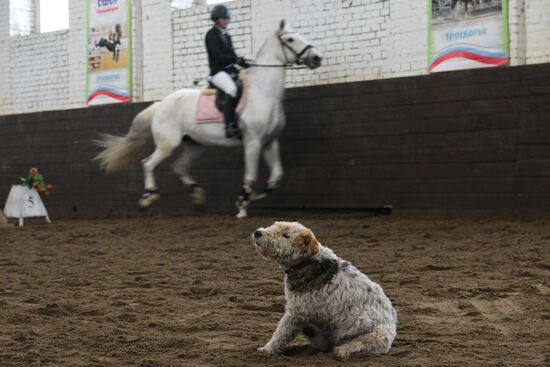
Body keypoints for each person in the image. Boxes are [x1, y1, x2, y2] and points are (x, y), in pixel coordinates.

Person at [205, 4, 250, 138]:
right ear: (217, 19)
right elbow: (217, 56)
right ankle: (229, 125)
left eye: (227, 18)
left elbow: (232, 55)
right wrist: (234, 59)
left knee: (246, 83)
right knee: (231, 88)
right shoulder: (211, 35)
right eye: (224, 18)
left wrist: (243, 63)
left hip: (229, 71)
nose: (227, 21)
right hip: (217, 72)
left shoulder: (227, 36)